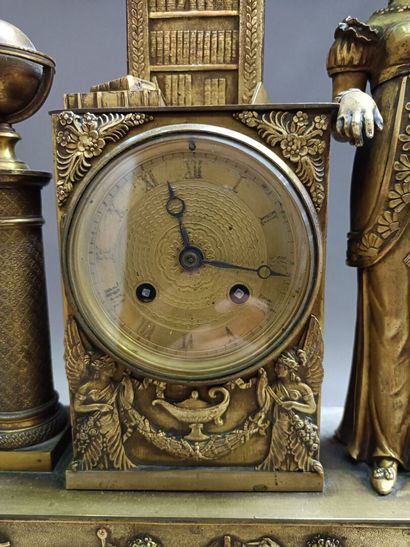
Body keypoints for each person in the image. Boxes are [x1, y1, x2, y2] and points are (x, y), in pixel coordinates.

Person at [327, 0, 410, 495]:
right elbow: (345, 101)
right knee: (390, 308)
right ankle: (388, 446)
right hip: (392, 160)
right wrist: (350, 98)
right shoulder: (372, 28)